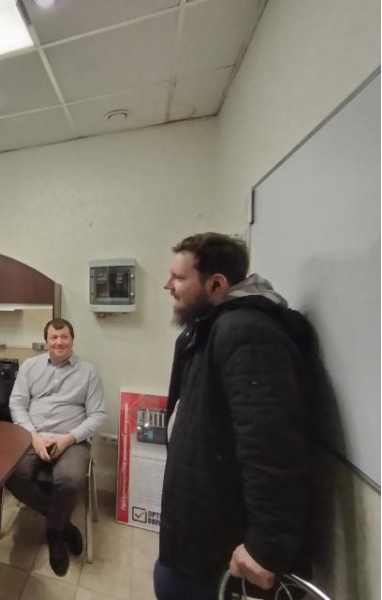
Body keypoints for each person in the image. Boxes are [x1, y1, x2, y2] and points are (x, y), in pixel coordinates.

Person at [156, 233, 312, 599]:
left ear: (215, 284)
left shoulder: (248, 334)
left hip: (220, 547)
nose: (167, 285)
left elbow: (271, 445)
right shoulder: (208, 329)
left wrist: (266, 546)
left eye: (178, 277)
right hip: (197, 528)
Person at [6, 318, 106, 577]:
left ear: (72, 340)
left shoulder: (88, 372)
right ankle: (63, 524)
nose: (59, 342)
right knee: (10, 475)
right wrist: (34, 437)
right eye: (54, 337)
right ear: (46, 341)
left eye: (64, 337)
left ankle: (53, 533)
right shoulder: (30, 367)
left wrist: (67, 439)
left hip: (71, 440)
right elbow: (17, 404)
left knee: (70, 480)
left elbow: (97, 415)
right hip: (33, 437)